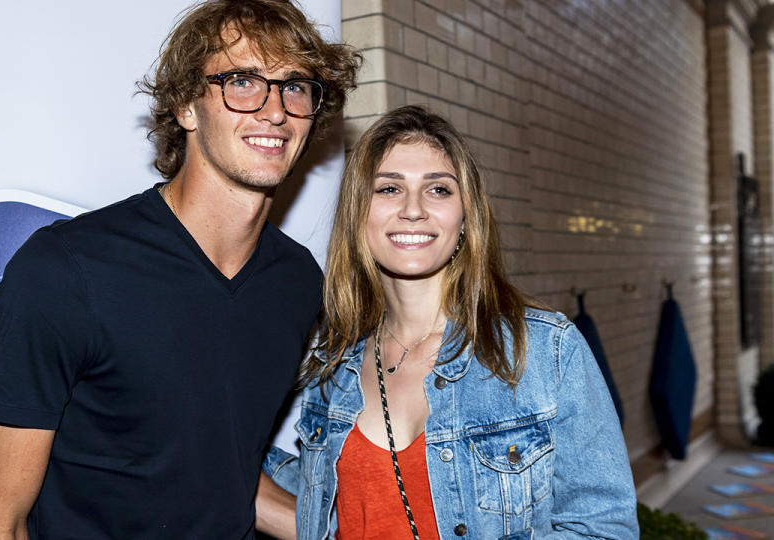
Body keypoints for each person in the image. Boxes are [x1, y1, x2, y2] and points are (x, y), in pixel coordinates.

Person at [0, 1, 359, 538]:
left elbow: (217, 472)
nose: (275, 110)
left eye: (295, 86)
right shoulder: (67, 272)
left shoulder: (296, 281)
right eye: (242, 81)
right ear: (186, 107)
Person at [262, 106, 639, 539]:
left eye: (439, 190)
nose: (413, 210)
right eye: (388, 188)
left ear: (464, 218)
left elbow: (605, 530)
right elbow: (329, 511)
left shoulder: (543, 351)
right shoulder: (331, 363)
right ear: (357, 215)